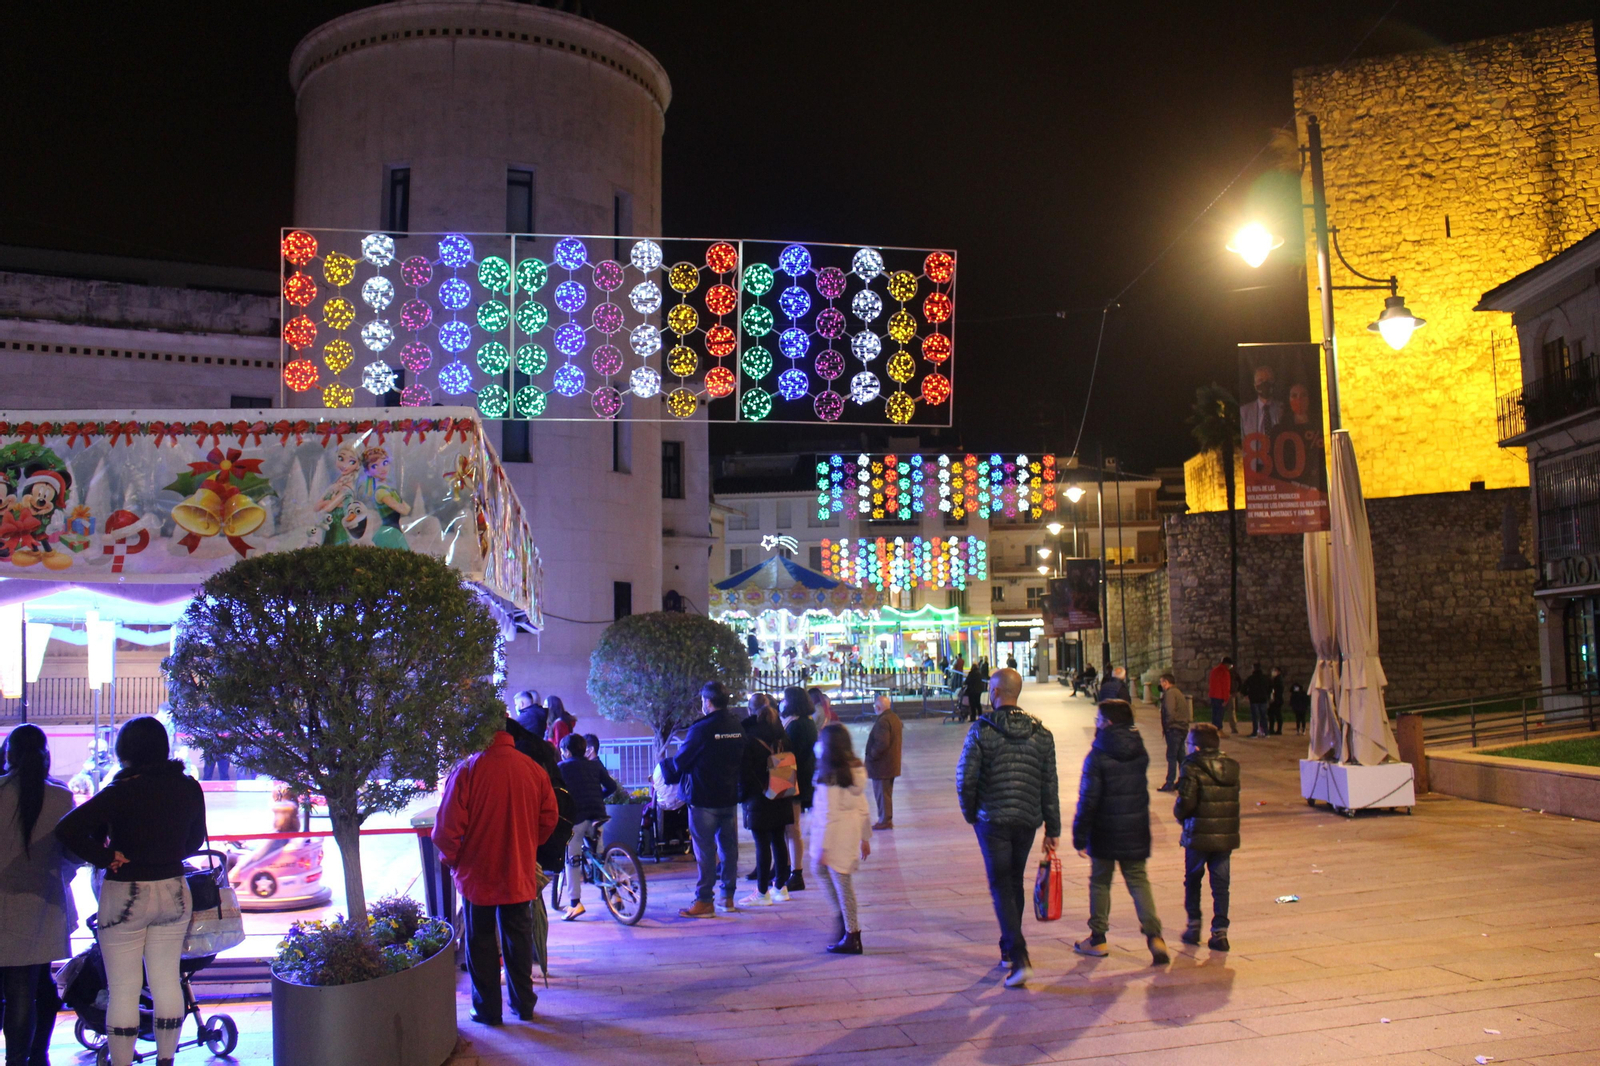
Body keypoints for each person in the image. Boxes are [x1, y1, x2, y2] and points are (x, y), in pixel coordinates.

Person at [56, 716, 208, 1066]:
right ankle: (166, 1060)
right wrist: (167, 856)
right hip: (173, 888)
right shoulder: (187, 786)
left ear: (124, 751)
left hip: (125, 893)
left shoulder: (120, 791)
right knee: (167, 980)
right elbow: (195, 840)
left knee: (123, 988)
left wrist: (106, 857)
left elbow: (68, 829)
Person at [433, 724, 559, 1024]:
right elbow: (549, 817)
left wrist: (454, 861)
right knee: (518, 938)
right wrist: (527, 844)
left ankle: (488, 1010)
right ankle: (524, 1004)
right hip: (518, 870)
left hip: (479, 875)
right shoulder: (532, 769)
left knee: (481, 943)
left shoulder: (468, 770)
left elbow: (446, 830)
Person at [955, 668, 1061, 989]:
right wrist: (1052, 827)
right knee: (1014, 879)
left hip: (993, 820)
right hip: (1027, 819)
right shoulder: (1041, 734)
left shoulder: (981, 731)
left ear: (995, 693)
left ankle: (1018, 955)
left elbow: (965, 778)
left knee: (1001, 883)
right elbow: (1049, 784)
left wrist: (971, 813)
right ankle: (1007, 946)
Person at [1070, 701, 1167, 966]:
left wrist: (1079, 836)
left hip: (1104, 830)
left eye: (1099, 718)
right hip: (1135, 826)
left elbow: (1088, 799)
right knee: (1138, 879)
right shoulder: (1139, 750)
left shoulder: (1098, 754)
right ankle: (1154, 936)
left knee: (1101, 881)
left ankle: (1098, 937)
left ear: (1109, 722)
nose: (1096, 722)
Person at [1, 725, 77, 1066]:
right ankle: (36, 1055)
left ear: (9, 755)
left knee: (16, 989)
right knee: (37, 982)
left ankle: (19, 1059)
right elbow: (72, 855)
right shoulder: (60, 797)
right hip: (46, 904)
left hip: (5, 906)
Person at [662, 681, 747, 917]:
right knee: (729, 849)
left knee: (705, 851)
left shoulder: (701, 729)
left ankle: (704, 901)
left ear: (707, 703)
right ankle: (727, 897)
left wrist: (665, 767)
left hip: (703, 797)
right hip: (728, 796)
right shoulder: (737, 726)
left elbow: (681, 761)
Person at [1173, 723, 1240, 952]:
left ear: (1197, 746)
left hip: (1198, 835)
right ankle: (1220, 932)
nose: (1187, 747)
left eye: (1188, 744)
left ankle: (1193, 926)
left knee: (1193, 880)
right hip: (1224, 836)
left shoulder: (1191, 765)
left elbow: (1186, 802)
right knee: (1221, 885)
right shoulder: (1231, 766)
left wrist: (1178, 814)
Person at [809, 723, 874, 954]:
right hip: (849, 833)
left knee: (840, 884)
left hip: (834, 836)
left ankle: (851, 933)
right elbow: (863, 805)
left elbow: (828, 815)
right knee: (838, 881)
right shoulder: (854, 770)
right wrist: (864, 837)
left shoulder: (830, 776)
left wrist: (823, 847)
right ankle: (846, 924)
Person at [556, 734, 619, 921]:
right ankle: (614, 893)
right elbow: (612, 787)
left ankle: (575, 904)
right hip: (598, 815)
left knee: (572, 859)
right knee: (601, 856)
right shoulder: (594, 765)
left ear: (567, 751)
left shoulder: (562, 768)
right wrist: (600, 795)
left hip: (577, 818)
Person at [738, 698, 793, 907]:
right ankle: (781, 887)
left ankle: (762, 892)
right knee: (779, 841)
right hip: (782, 794)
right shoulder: (784, 737)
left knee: (761, 845)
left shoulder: (751, 739)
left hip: (760, 797)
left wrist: (742, 796)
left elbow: (745, 772)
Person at [780, 686, 818, 892]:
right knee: (792, 827)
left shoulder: (797, 726)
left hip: (794, 781)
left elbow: (790, 752)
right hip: (801, 779)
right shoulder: (806, 722)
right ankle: (792, 868)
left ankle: (796, 871)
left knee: (793, 828)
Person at [864, 692, 903, 830]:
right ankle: (886, 818)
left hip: (882, 765)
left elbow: (882, 743)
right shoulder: (894, 718)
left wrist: (871, 756)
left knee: (882, 794)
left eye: (875, 706)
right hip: (891, 764)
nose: (874, 708)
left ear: (879, 707)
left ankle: (884, 820)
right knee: (886, 793)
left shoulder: (882, 721)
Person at [1156, 672, 1190, 792]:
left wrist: (1168, 726)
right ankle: (1184, 780)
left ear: (1166, 682)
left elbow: (1170, 712)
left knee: (1172, 756)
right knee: (1181, 756)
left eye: (1161, 682)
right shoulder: (1178, 692)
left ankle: (1170, 782)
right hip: (1182, 728)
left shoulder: (1170, 694)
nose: (1161, 684)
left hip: (1174, 729)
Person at [1240, 364, 1284, 439]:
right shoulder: (1244, 412)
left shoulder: (1283, 408)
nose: (1265, 383)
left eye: (1269, 380)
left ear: (1274, 382)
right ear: (1255, 385)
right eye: (1260, 380)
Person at [1243, 664, 1272, 738]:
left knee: (1255, 717)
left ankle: (1255, 732)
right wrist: (1267, 695)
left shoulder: (1251, 678)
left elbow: (1244, 687)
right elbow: (1271, 687)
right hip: (1263, 699)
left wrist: (1246, 694)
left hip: (1254, 699)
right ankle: (1266, 732)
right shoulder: (1265, 678)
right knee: (1264, 716)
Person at [1206, 656, 1233, 729]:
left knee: (1214, 713)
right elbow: (1226, 686)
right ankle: (1219, 729)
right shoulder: (1225, 672)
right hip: (1220, 696)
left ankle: (1214, 729)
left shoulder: (1214, 670)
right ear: (1227, 664)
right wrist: (1226, 699)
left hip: (1213, 695)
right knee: (1219, 714)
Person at [1267, 667, 1285, 736]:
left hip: (1277, 700)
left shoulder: (1278, 680)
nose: (1273, 672)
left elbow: (1276, 690)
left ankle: (1278, 729)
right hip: (1276, 699)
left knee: (1277, 714)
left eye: (1274, 671)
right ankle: (1272, 729)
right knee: (1272, 714)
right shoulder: (1276, 679)